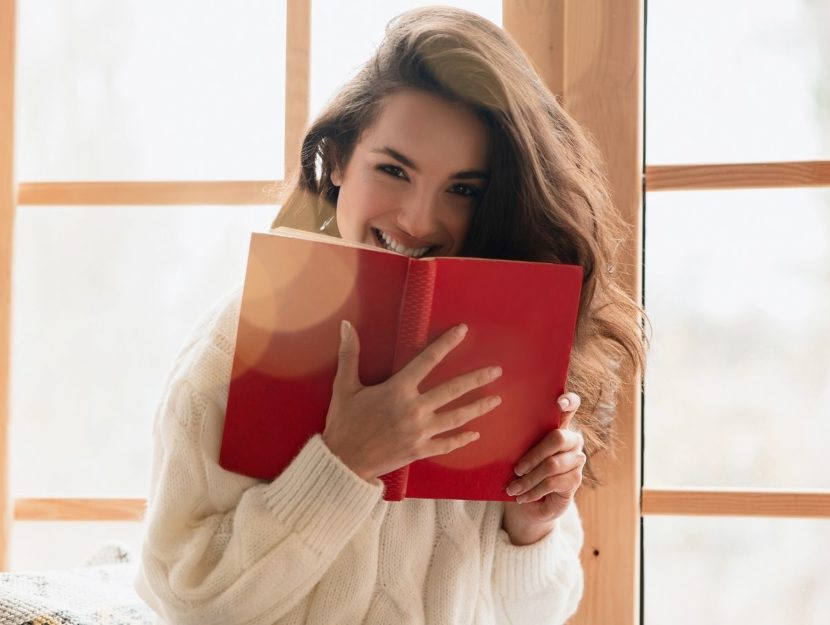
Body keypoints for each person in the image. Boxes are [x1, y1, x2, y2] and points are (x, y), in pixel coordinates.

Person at [135, 6, 647, 624]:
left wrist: (531, 524)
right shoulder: (238, 337)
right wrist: (342, 462)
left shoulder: (508, 346)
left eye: (464, 189)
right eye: (393, 170)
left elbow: (537, 612)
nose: (416, 220)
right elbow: (183, 599)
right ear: (340, 160)